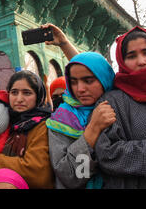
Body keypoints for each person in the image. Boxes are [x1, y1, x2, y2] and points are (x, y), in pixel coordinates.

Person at [94, 26, 146, 188]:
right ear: (122, 61)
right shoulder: (112, 101)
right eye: (131, 56)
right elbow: (107, 153)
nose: (141, 61)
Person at [45, 52, 116, 189]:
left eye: (88, 81)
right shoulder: (61, 120)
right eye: (73, 82)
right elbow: (70, 176)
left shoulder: (122, 107)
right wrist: (92, 130)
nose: (80, 89)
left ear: (104, 79)